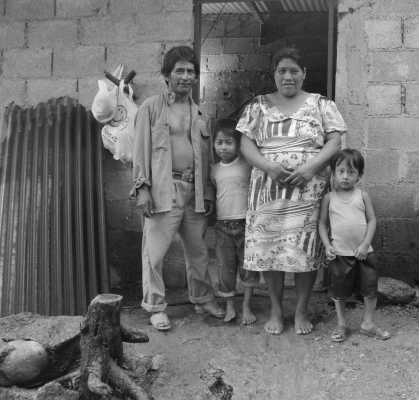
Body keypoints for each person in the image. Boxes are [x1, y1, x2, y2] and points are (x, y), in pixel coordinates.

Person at [237, 47, 346, 335]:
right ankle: (275, 309)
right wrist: (268, 167)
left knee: (305, 249)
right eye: (282, 70)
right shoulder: (257, 105)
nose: (288, 76)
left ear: (304, 74)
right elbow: (245, 144)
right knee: (270, 249)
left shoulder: (322, 104)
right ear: (274, 74)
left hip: (307, 191)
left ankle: (300, 309)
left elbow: (334, 142)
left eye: (294, 71)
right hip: (267, 190)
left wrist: (311, 168)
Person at [132, 45, 225, 331]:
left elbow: (207, 157)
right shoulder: (152, 107)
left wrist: (208, 192)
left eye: (191, 71)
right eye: (179, 71)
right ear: (166, 75)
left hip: (194, 190)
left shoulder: (200, 115)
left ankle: (202, 298)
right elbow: (140, 151)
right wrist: (142, 189)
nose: (186, 77)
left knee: (198, 252)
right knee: (155, 253)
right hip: (163, 188)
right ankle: (156, 306)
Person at [318, 149, 391, 343]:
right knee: (339, 291)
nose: (345, 176)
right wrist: (327, 245)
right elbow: (322, 224)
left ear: (359, 175)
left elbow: (372, 221)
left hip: (363, 254)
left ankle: (367, 323)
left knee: (370, 289)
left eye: (351, 172)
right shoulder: (329, 198)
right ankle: (341, 323)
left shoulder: (362, 196)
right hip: (339, 255)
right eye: (341, 171)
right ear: (333, 173)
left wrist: (365, 244)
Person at [211, 119, 259, 324]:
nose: (224, 147)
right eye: (219, 142)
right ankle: (230, 306)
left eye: (229, 142)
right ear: (213, 144)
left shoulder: (248, 165)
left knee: (247, 268)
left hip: (246, 225)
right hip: (222, 226)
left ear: (238, 144)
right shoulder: (213, 169)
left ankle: (247, 305)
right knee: (225, 269)